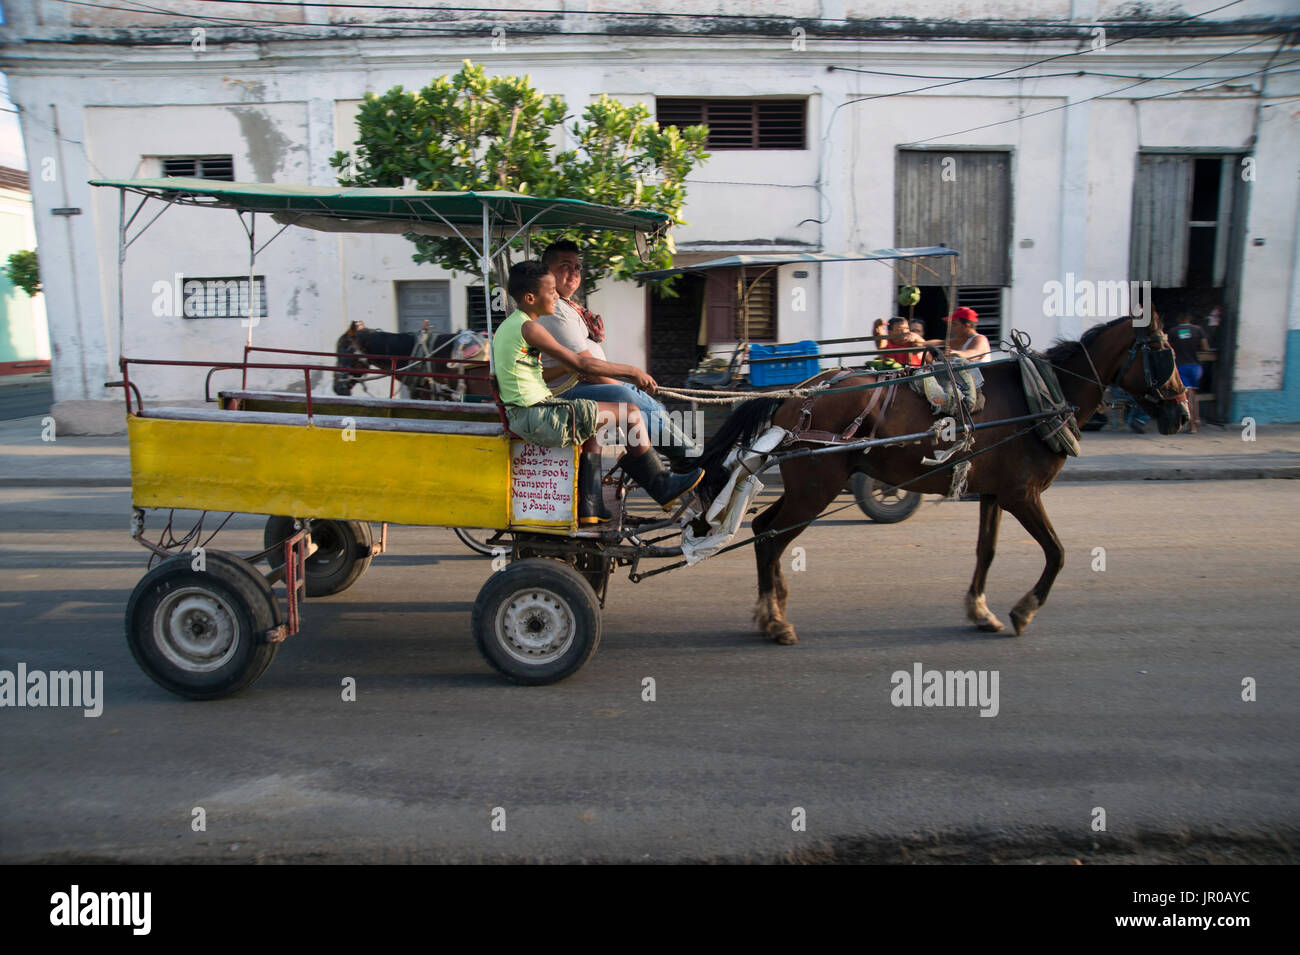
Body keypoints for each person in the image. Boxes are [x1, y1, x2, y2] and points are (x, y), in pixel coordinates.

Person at [492, 261, 704, 524]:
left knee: (593, 424)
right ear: (530, 297)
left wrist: (566, 369)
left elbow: (539, 374)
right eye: (551, 291)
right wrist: (631, 371)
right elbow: (583, 362)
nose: (557, 296)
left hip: (526, 414)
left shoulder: (510, 326)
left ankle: (590, 507)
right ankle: (661, 484)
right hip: (535, 418)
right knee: (631, 413)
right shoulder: (531, 327)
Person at [537, 240, 700, 462]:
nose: (574, 272)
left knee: (649, 403)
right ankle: (687, 460)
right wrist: (631, 375)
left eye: (577, 267)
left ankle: (684, 456)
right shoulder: (555, 310)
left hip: (580, 384)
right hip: (562, 393)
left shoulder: (567, 306)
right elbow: (588, 368)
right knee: (625, 397)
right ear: (546, 271)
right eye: (565, 266)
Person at [1170, 312, 1212, 432]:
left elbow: (1168, 348)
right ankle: (1195, 420)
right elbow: (1206, 348)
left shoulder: (1173, 331)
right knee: (1193, 394)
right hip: (1196, 367)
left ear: (1179, 319)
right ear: (1189, 318)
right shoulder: (1198, 330)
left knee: (1188, 396)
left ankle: (1193, 424)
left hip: (1181, 367)